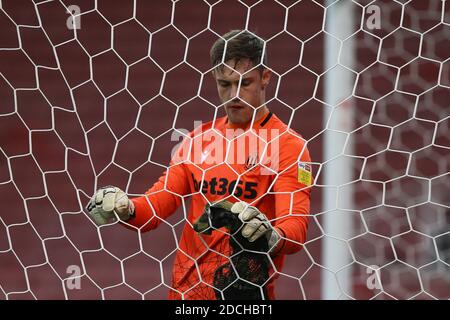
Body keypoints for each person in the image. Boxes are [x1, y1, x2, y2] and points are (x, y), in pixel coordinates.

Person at [86, 30, 313, 300]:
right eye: (224, 84)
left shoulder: (288, 145)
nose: (234, 95)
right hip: (185, 295)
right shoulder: (197, 140)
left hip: (243, 296)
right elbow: (156, 207)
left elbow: (296, 228)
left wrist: (270, 235)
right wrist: (125, 208)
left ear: (266, 78)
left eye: (244, 83)